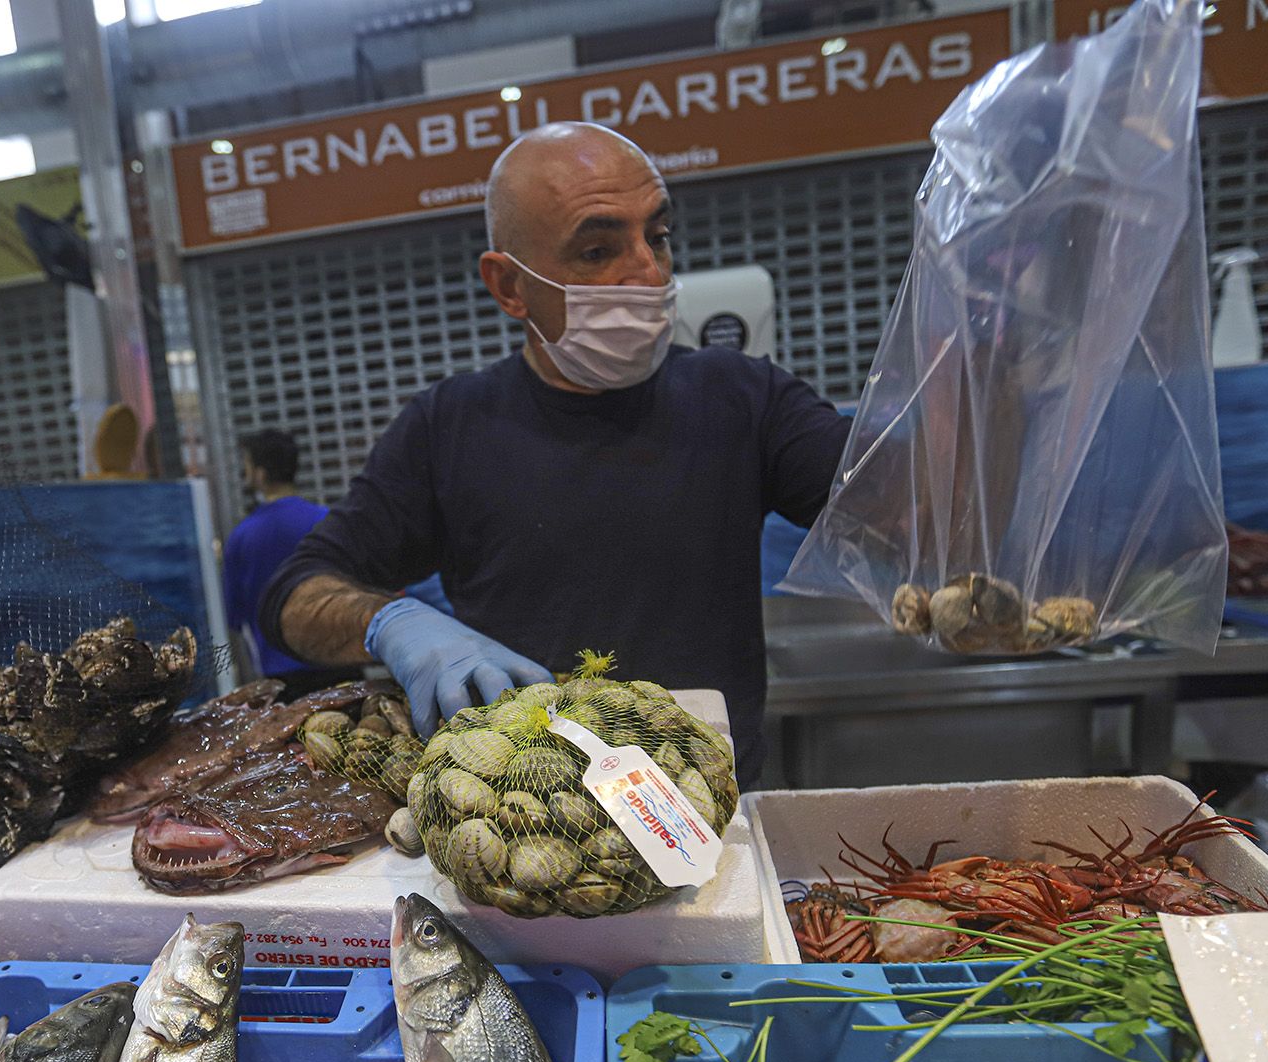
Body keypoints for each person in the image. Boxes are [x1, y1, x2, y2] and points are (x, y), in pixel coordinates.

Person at [258, 122, 852, 784]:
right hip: (525, 818)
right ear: (509, 287)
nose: (648, 272)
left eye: (657, 236)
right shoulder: (450, 427)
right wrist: (390, 624)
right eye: (598, 250)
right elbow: (294, 596)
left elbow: (891, 505)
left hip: (712, 808)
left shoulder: (744, 397)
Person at [221, 428, 345, 693]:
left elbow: (235, 616)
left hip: (281, 676)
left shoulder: (242, 537)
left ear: (260, 473)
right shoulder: (327, 521)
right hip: (341, 663)